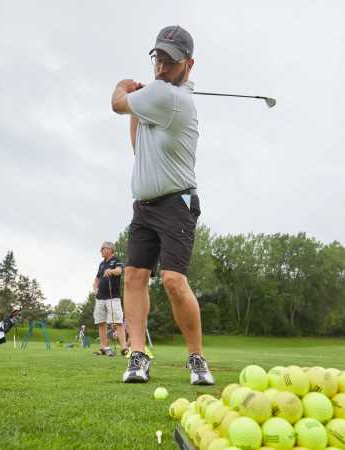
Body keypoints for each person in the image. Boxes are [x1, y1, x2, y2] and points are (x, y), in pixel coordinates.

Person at [110, 25, 214, 385]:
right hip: (144, 206)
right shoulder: (158, 99)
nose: (161, 67)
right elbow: (139, 148)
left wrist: (125, 87)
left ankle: (197, 358)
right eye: (158, 58)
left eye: (170, 61)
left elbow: (116, 104)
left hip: (176, 204)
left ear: (189, 64)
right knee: (135, 276)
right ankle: (138, 354)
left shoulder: (173, 99)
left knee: (172, 280)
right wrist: (138, 111)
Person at [92, 241, 128, 356]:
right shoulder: (101, 264)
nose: (100, 250)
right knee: (101, 322)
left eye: (103, 248)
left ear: (110, 249)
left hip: (113, 297)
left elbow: (119, 271)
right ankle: (103, 347)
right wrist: (95, 288)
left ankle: (124, 348)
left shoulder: (117, 260)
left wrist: (111, 271)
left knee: (118, 321)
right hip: (100, 297)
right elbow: (97, 278)